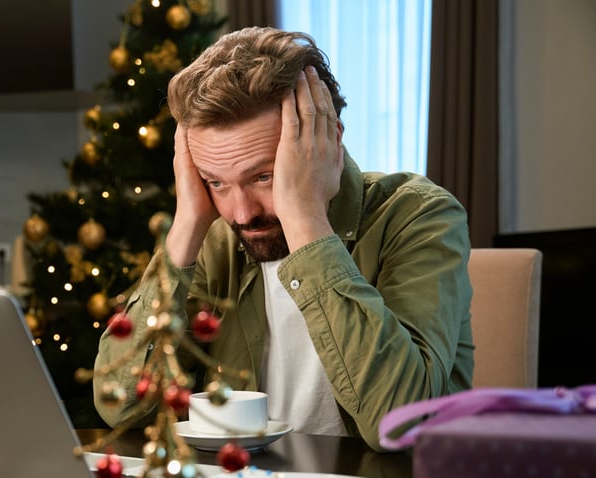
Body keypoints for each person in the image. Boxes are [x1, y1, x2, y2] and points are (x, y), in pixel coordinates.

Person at [93, 27, 474, 452]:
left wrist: (306, 218)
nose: (241, 213)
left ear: (328, 140)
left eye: (263, 176)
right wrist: (185, 226)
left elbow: (400, 423)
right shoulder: (215, 237)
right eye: (215, 182)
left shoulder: (418, 215)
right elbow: (122, 408)